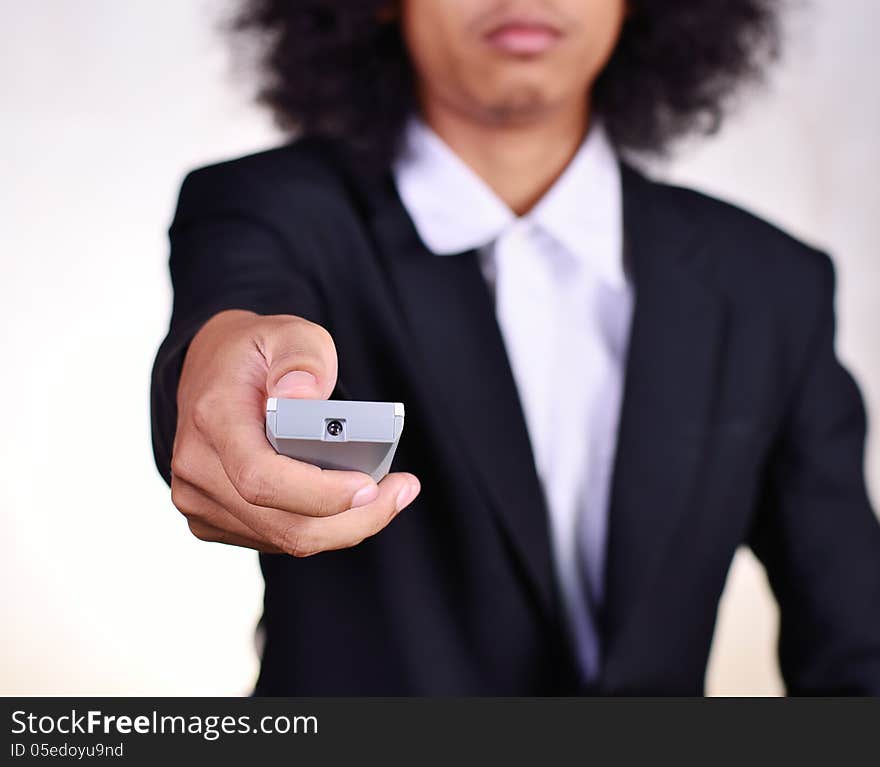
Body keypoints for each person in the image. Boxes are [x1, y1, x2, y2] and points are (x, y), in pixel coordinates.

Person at [151, 0, 880, 695]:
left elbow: (857, 648)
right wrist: (223, 378)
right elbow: (231, 323)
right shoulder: (266, 209)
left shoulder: (770, 283)